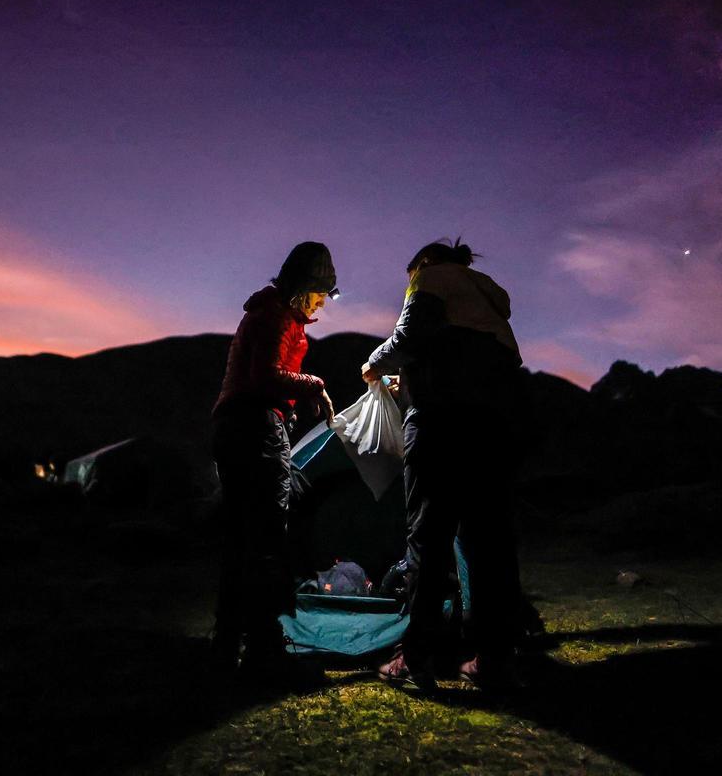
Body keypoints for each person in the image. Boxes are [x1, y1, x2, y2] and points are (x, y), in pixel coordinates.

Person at [362, 237, 526, 691]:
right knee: (487, 540)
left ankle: (417, 657)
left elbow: (413, 334)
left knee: (428, 537)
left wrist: (374, 364)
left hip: (440, 423)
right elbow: (463, 355)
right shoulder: (485, 299)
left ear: (425, 263)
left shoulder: (430, 276)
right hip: (495, 426)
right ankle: (492, 657)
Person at [210, 241, 337, 682]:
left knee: (241, 538)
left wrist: (290, 400)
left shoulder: (269, 313)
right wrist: (313, 385)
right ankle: (264, 650)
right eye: (322, 292)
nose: (323, 302)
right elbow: (264, 376)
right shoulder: (277, 316)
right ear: (305, 287)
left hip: (235, 426)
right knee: (265, 537)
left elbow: (261, 377)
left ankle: (228, 645)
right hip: (254, 429)